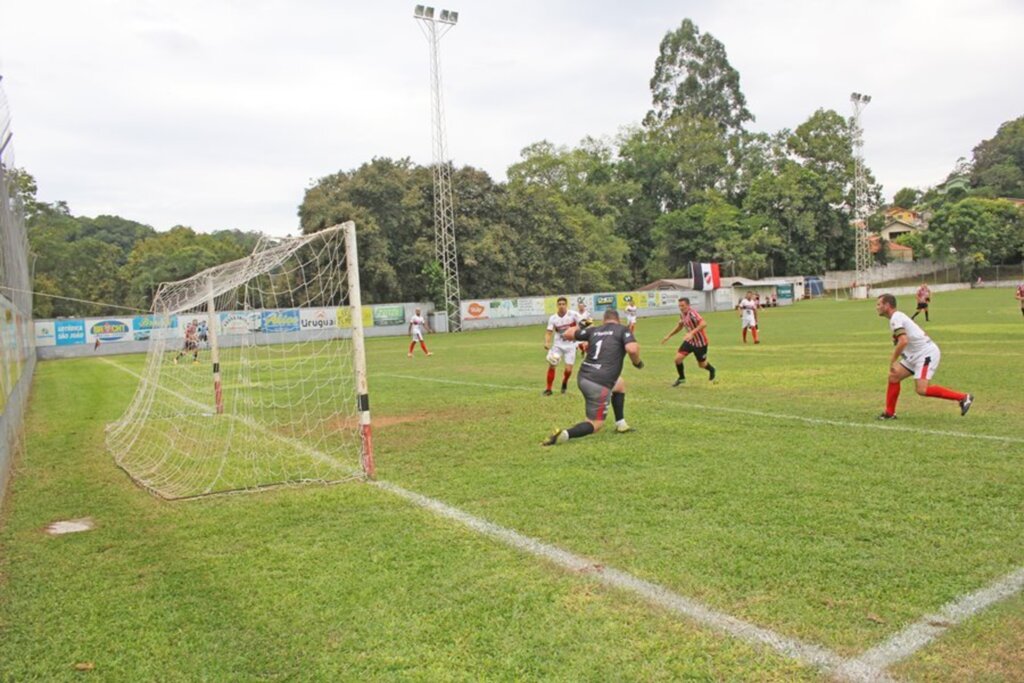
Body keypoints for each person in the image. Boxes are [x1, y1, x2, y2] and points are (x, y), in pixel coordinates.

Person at [542, 309, 643, 445]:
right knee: (595, 424)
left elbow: (567, 333)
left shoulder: (594, 330)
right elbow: (632, 349)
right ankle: (565, 434)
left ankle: (621, 424)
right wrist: (637, 363)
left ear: (604, 320)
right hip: (599, 383)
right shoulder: (622, 330)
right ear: (618, 320)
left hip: (583, 377)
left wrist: (583, 323)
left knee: (619, 384)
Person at [875, 293, 972, 420]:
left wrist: (893, 360)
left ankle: (963, 397)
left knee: (922, 389)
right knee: (894, 377)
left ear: (887, 306)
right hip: (915, 355)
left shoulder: (896, 318)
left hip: (926, 354)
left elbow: (903, 341)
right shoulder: (897, 317)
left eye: (878, 304)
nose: (876, 307)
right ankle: (889, 413)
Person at [661, 298, 716, 385]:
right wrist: (669, 336)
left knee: (701, 365)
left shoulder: (693, 313)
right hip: (690, 341)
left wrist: (692, 333)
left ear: (688, 305)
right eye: (679, 306)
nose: (681, 307)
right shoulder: (682, 314)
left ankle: (712, 369)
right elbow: (680, 326)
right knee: (677, 359)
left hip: (700, 344)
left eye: (683, 305)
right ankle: (682, 378)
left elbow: (703, 324)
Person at [543, 296, 579, 395]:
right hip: (558, 345)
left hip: (571, 345)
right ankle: (548, 389)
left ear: (566, 305)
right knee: (552, 365)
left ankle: (565, 382)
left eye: (563, 304)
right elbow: (549, 332)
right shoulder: (553, 318)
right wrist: (547, 342)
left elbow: (588, 321)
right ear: (557, 306)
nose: (561, 306)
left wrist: (578, 328)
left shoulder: (573, 314)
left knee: (568, 370)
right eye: (559, 304)